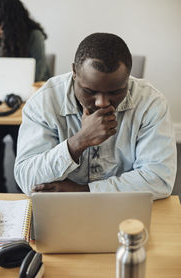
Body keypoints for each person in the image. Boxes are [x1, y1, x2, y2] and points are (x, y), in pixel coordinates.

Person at [14, 32, 177, 199]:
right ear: (74, 72)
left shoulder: (151, 103)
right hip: (61, 207)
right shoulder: (43, 102)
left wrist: (84, 191)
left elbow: (159, 179)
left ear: (128, 78)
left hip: (122, 209)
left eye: (115, 91)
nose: (102, 102)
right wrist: (79, 142)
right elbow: (28, 180)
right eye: (90, 91)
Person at [0, 0, 50, 192]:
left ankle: (25, 190)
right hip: (1, 105)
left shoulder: (34, 36)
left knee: (23, 138)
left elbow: (36, 77)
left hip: (29, 105)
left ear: (2, 22)